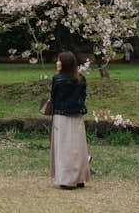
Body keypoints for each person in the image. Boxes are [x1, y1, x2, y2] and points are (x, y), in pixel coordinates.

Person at [50, 51, 90, 189]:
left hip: (61, 116)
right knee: (78, 147)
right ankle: (79, 178)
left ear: (64, 63)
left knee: (64, 147)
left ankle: (67, 179)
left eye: (59, 60)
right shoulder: (81, 79)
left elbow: (54, 98)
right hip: (77, 115)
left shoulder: (57, 79)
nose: (57, 63)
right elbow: (83, 96)